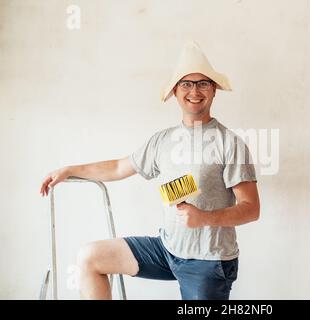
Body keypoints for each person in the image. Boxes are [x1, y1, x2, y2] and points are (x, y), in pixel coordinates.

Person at [39, 41, 260, 300]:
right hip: (167, 249)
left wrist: (204, 218)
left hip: (208, 261)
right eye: (186, 84)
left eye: (203, 83)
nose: (195, 91)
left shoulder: (229, 143)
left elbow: (251, 208)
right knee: (90, 257)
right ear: (175, 92)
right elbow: (120, 167)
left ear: (213, 91)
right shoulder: (162, 140)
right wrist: (69, 169)